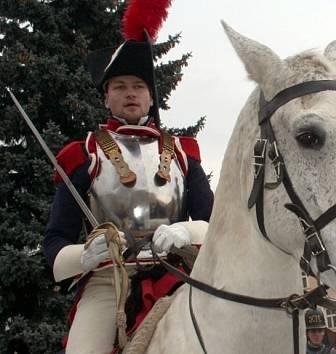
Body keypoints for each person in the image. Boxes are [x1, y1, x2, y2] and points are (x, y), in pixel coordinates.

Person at [42, 1, 213, 353]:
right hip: (108, 283)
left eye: (138, 85)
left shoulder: (182, 153)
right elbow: (55, 243)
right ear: (106, 98)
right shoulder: (84, 154)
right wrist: (85, 256)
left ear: (151, 97)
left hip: (177, 275)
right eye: (119, 86)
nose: (130, 92)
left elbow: (215, 222)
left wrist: (186, 231)